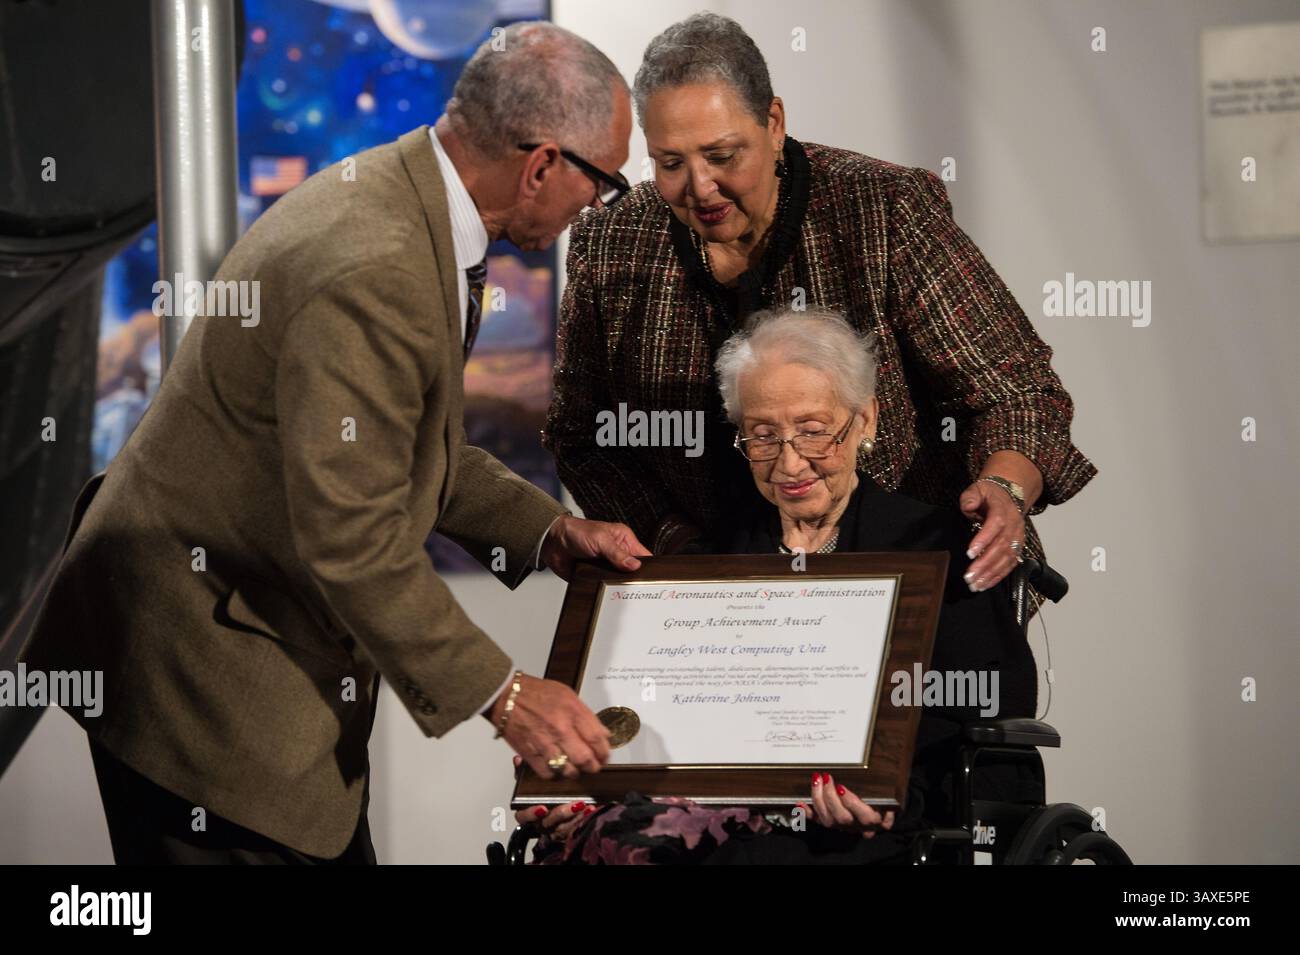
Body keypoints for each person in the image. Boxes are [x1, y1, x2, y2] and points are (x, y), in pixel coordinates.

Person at [19, 22, 648, 865]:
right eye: (603, 182)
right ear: (541, 165)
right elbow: (352, 536)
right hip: (200, 685)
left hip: (238, 650)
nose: (594, 207)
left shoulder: (409, 203)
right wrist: (507, 696)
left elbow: (408, 448)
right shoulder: (376, 263)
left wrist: (546, 532)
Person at [543, 12, 1096, 608]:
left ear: (774, 123)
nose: (699, 187)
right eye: (670, 163)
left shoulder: (882, 210)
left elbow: (1018, 392)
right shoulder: (613, 243)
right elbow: (580, 434)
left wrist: (1005, 487)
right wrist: (673, 540)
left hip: (916, 580)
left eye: (723, 156)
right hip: (712, 602)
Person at [519, 309, 1042, 865]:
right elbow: (651, 709)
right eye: (763, 436)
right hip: (719, 815)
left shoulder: (935, 550)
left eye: (814, 431)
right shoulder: (706, 564)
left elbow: (985, 716)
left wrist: (890, 794)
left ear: (864, 420)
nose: (790, 463)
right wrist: (570, 778)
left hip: (878, 827)